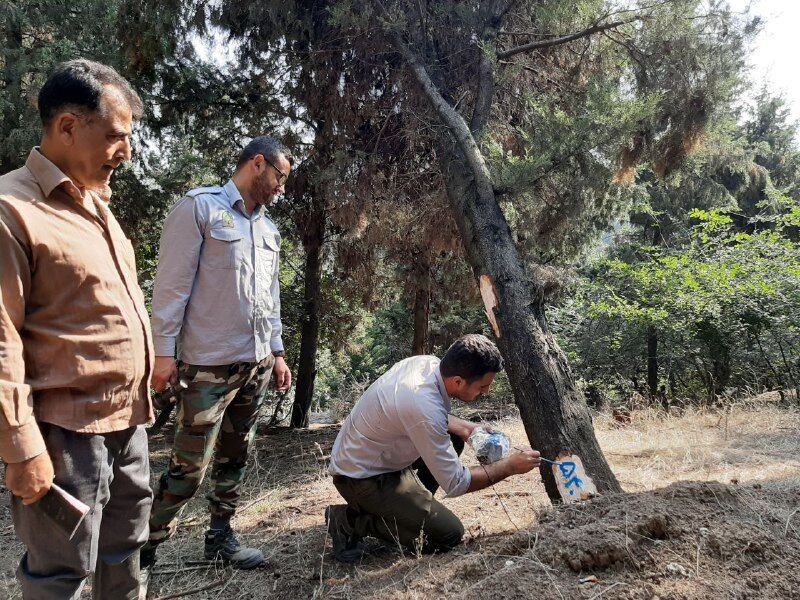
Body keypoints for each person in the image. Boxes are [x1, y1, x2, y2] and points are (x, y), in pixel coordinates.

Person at [0, 59, 154, 599]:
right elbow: (1, 341)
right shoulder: (11, 209)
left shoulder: (98, 207)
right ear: (67, 126)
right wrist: (22, 447)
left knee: (124, 554)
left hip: (127, 424)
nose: (126, 152)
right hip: (63, 434)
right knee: (59, 577)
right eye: (115, 135)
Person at [142, 137, 293, 571]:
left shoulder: (268, 229)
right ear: (258, 164)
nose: (282, 188)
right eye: (280, 177)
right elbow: (170, 289)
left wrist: (277, 353)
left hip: (256, 364)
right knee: (188, 468)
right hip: (207, 365)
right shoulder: (200, 209)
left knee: (235, 456)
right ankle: (142, 549)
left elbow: (270, 298)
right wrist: (163, 354)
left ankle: (220, 538)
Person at [326, 334, 541, 562]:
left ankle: (413, 510)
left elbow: (428, 416)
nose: (486, 392)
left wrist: (468, 429)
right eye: (483, 386)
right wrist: (508, 467)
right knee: (448, 534)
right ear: (458, 381)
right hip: (361, 478)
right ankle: (348, 521)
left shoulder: (426, 364)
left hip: (378, 457)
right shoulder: (421, 404)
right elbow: (457, 482)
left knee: (455, 437)